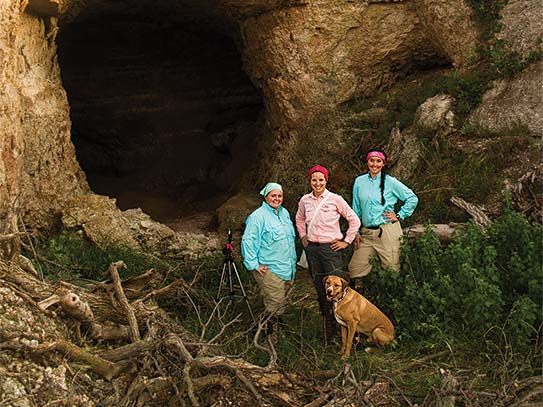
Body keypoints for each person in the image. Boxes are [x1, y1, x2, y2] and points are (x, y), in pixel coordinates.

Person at [295, 165, 361, 343]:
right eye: (314, 180)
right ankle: (328, 330)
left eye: (321, 179)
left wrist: (346, 241)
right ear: (310, 181)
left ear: (326, 181)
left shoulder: (335, 199)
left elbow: (354, 219)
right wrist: (302, 236)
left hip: (331, 249)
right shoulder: (305, 200)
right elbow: (299, 219)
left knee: (339, 289)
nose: (318, 183)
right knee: (321, 288)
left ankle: (348, 331)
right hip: (312, 250)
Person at [348, 148, 418, 288]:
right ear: (367, 162)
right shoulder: (359, 182)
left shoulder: (390, 182)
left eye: (378, 161)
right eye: (371, 160)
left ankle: (391, 301)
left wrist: (399, 215)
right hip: (367, 233)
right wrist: (355, 231)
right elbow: (356, 209)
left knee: (392, 270)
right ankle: (360, 299)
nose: (375, 164)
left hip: (387, 232)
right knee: (355, 269)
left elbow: (412, 198)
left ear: (383, 164)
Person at [241, 182, 297, 336]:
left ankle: (273, 333)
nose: (277, 198)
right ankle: (271, 339)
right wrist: (253, 264)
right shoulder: (257, 217)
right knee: (275, 306)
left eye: (279, 196)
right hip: (270, 269)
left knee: (283, 304)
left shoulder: (284, 213)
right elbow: (248, 240)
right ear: (266, 197)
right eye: (273, 195)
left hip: (287, 268)